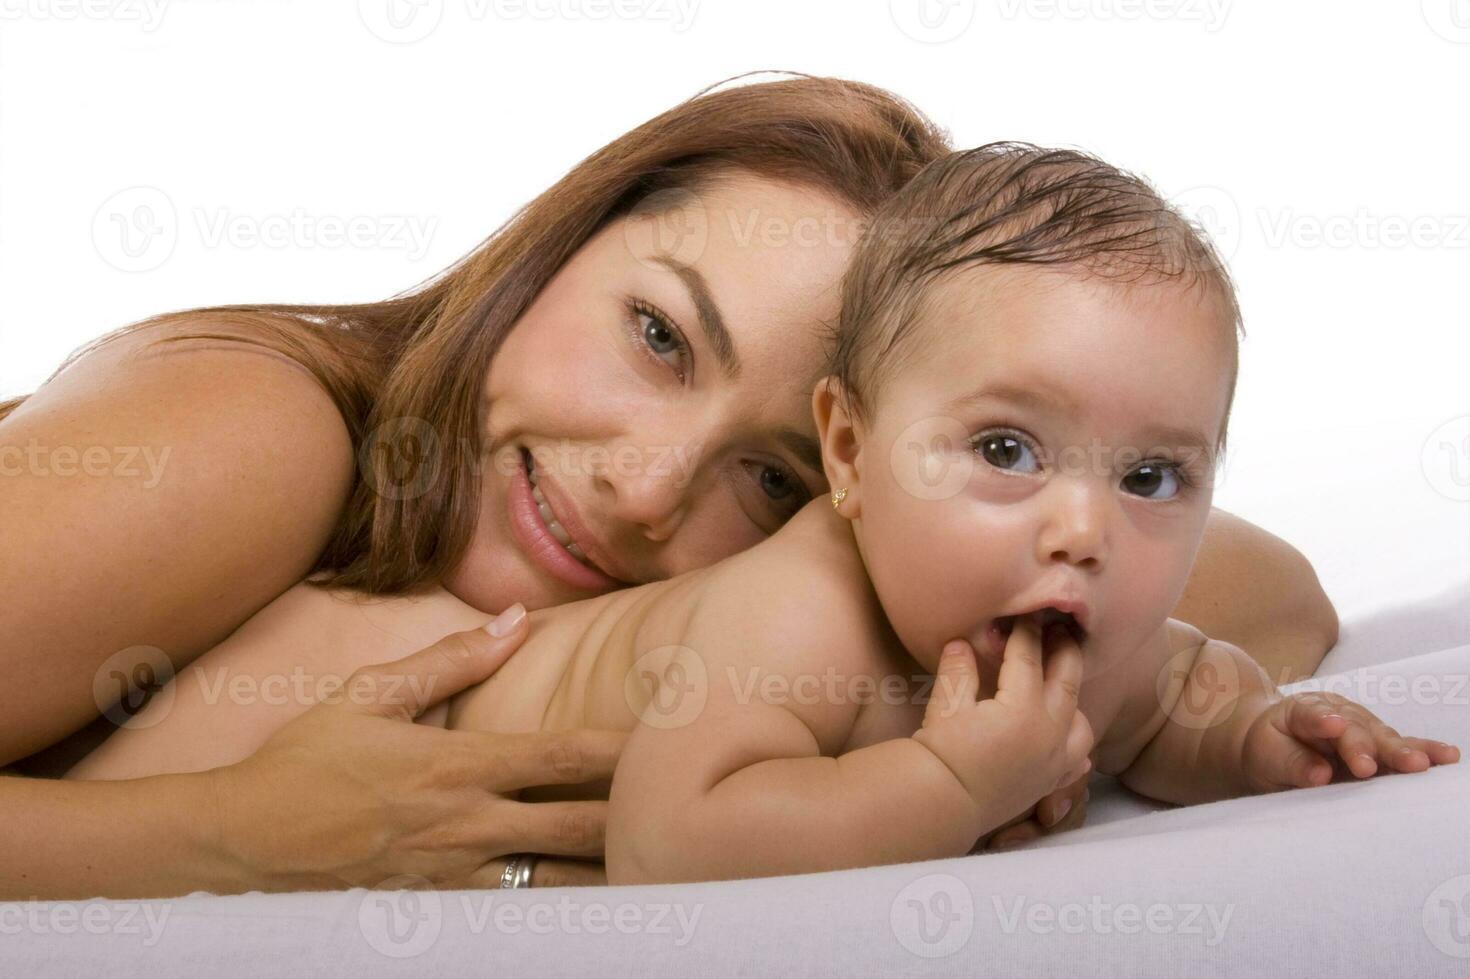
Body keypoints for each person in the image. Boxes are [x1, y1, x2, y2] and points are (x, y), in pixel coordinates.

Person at [0, 77, 1338, 897]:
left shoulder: (836, 576)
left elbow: (1271, 590)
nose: (644, 492)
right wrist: (223, 840)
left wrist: (1081, 718)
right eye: (656, 335)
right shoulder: (255, 440)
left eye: (770, 476)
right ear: (560, 239)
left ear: (854, 475)